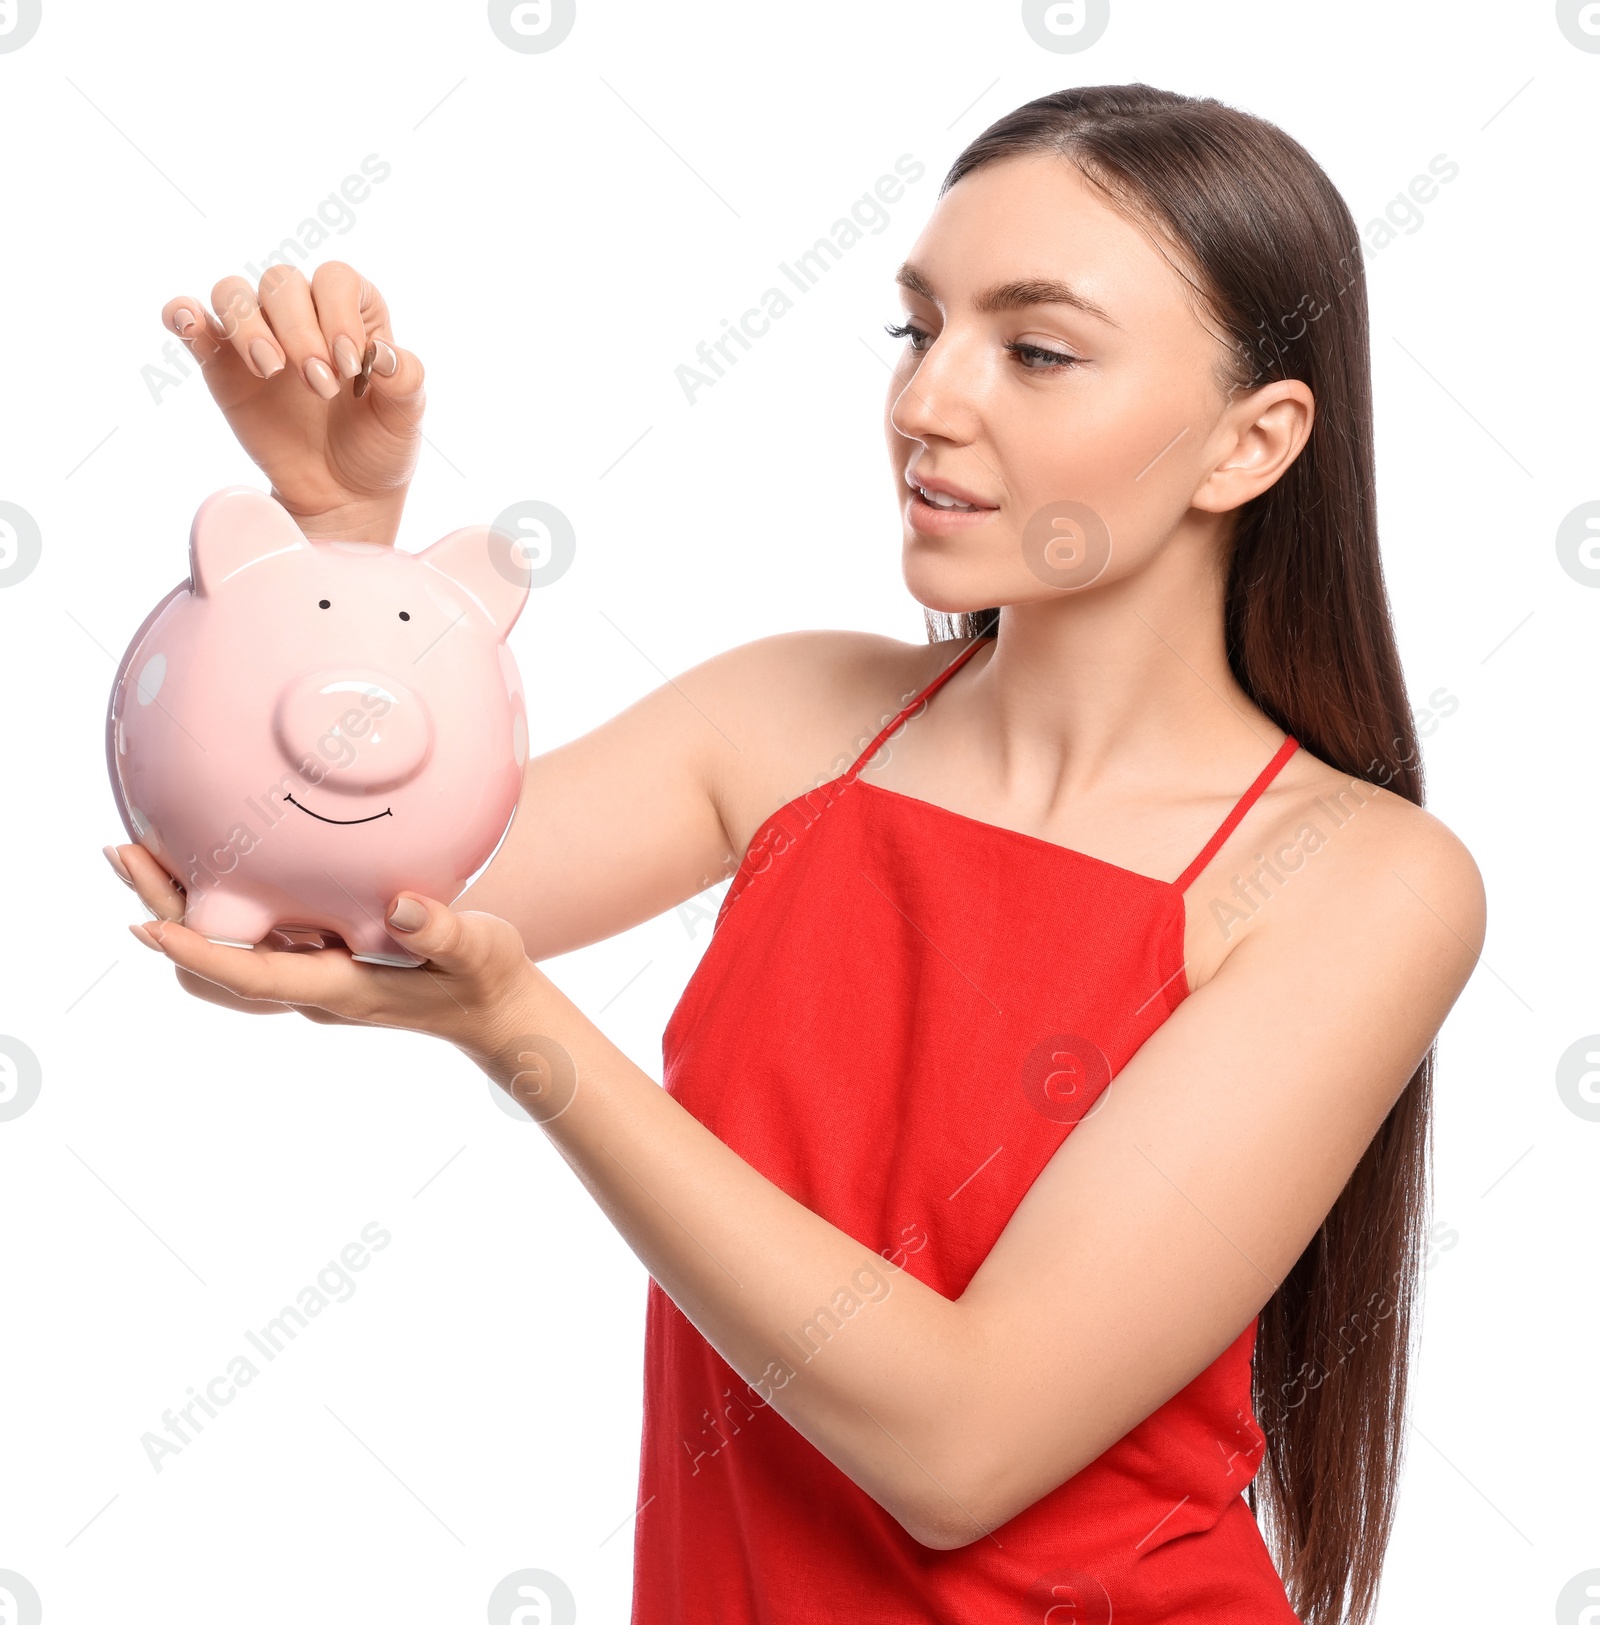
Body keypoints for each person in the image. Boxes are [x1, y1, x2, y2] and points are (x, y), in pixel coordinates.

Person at [105, 83, 1485, 1625]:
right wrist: (342, 546)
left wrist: (528, 1036)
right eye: (919, 329)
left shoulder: (1359, 884)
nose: (927, 401)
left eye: (1033, 350)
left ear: (1252, 442)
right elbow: (328, 903)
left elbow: (966, 1442)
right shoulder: (788, 716)